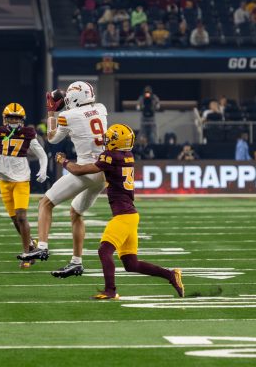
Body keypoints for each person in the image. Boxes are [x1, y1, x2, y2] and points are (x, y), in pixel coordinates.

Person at [55, 124, 184, 300]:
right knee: (131, 264)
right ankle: (171, 275)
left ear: (117, 141)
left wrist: (63, 161)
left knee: (104, 251)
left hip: (124, 216)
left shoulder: (111, 156)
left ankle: (110, 290)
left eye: (110, 138)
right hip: (130, 215)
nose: (106, 141)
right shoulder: (127, 155)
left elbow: (80, 170)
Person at [19, 81, 108, 279]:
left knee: (45, 203)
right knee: (76, 213)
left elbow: (52, 138)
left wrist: (51, 113)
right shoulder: (101, 109)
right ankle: (76, 262)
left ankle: (42, 247)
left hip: (84, 170)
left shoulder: (68, 115)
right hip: (102, 174)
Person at [0, 103, 48, 269]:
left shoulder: (28, 133)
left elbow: (42, 155)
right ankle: (31, 245)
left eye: (16, 118)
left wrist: (43, 169)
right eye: (11, 117)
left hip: (21, 179)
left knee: (22, 216)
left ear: (22, 120)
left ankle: (26, 255)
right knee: (15, 220)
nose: (13, 121)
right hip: (4, 180)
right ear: (5, 118)